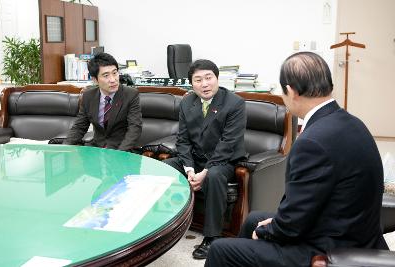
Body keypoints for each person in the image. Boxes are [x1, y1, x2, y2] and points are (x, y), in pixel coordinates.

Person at [205, 52, 388, 267]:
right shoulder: (351, 122)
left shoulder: (313, 142)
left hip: (331, 247)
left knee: (221, 249)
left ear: (291, 91)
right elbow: (307, 204)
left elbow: (292, 224)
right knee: (254, 219)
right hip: (353, 229)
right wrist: (270, 226)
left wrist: (269, 231)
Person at [164, 59, 247, 259]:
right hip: (195, 159)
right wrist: (190, 169)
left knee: (215, 176)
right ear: (191, 84)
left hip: (224, 160)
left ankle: (212, 238)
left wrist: (205, 172)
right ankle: (167, 224)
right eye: (198, 80)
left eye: (208, 78)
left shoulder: (235, 103)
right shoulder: (187, 102)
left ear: (217, 79)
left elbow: (227, 144)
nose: (204, 84)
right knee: (165, 168)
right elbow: (182, 140)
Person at [64, 52, 142, 151]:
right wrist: (65, 148)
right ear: (95, 80)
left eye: (115, 73)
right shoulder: (88, 96)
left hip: (123, 151)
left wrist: (119, 154)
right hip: (97, 149)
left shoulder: (131, 95)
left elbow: (135, 129)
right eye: (106, 75)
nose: (113, 80)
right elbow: (79, 127)